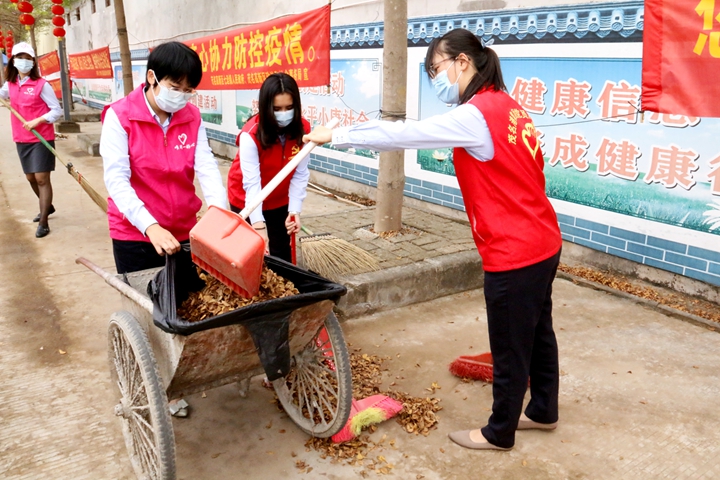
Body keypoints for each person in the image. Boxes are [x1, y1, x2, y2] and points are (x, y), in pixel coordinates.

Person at [303, 28, 562, 451]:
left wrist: (339, 135)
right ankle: (543, 411)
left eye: (435, 69)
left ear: (463, 62)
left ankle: (500, 432)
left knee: (511, 345)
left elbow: (406, 134)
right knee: (538, 333)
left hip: (514, 250)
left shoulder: (476, 115)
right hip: (543, 240)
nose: (435, 79)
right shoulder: (507, 105)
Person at [227, 72, 311, 263]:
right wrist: (258, 226)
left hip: (279, 198)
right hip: (246, 198)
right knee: (249, 255)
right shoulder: (251, 134)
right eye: (277, 109)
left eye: (289, 107)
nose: (284, 114)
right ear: (266, 108)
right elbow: (252, 183)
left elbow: (300, 173)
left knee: (281, 253)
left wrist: (294, 210)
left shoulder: (303, 130)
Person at [1, 42, 63, 238]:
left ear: (33, 62)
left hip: (41, 137)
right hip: (21, 138)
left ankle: (44, 221)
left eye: (28, 59)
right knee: (30, 178)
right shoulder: (10, 84)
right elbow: (2, 95)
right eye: (20, 58)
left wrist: (38, 120)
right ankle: (48, 206)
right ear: (13, 61)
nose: (24, 62)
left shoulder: (42, 85)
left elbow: (56, 110)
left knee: (42, 178)